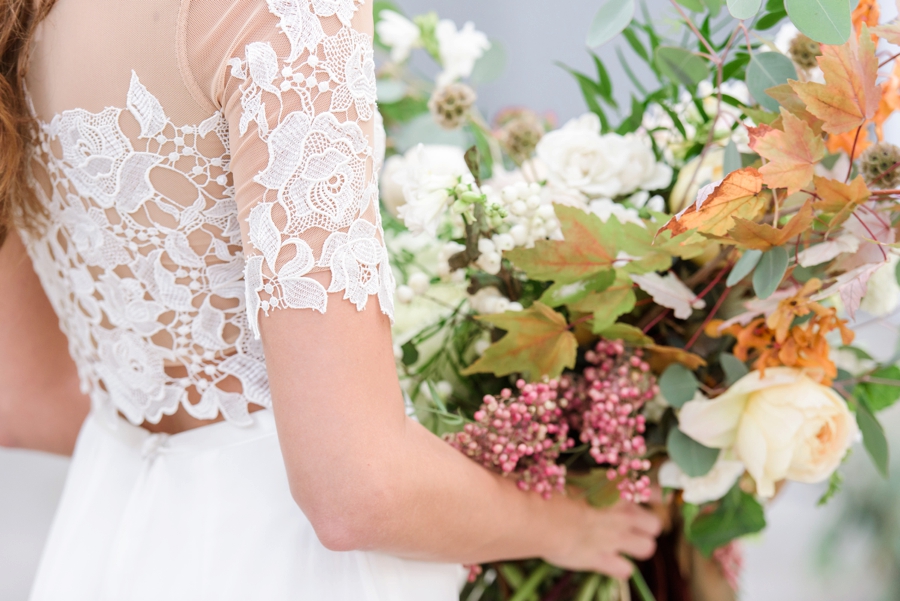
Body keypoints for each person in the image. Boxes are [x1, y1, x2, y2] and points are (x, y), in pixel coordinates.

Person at [0, 0, 661, 598]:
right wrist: (570, 526)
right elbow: (358, 490)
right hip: (288, 567)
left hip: (113, 538)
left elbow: (23, 396)